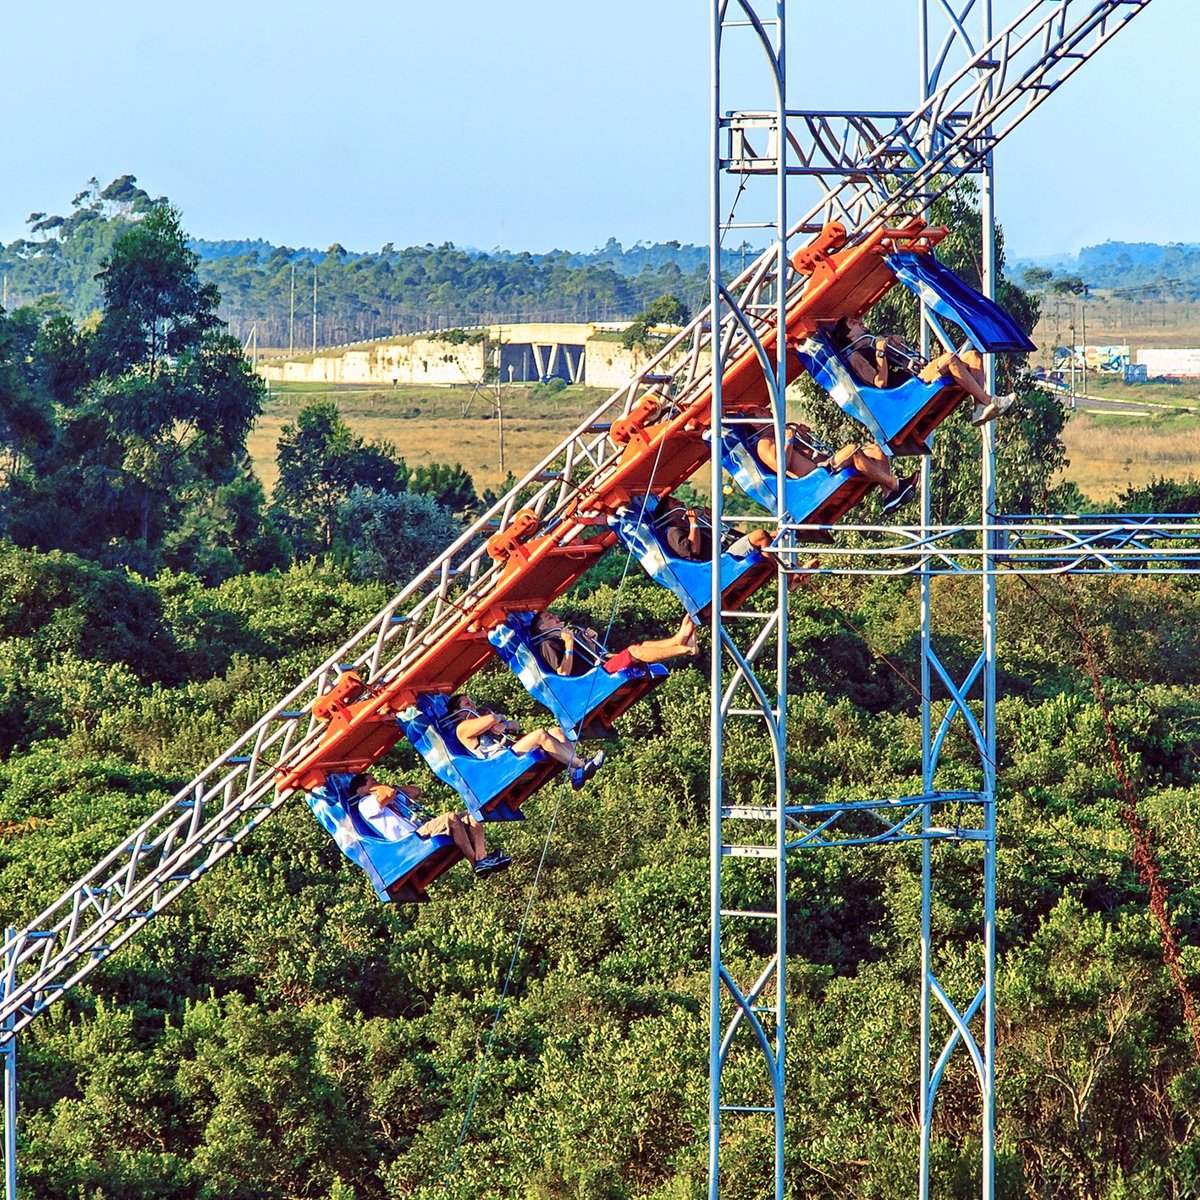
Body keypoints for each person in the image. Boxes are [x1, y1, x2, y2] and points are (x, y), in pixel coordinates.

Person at [831, 314, 1017, 427]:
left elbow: (903, 362)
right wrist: (880, 352)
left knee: (973, 356)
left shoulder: (874, 342)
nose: (860, 322)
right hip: (905, 392)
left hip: (912, 376)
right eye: (853, 323)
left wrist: (898, 347)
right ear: (848, 335)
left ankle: (979, 407)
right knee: (949, 359)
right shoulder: (856, 356)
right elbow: (880, 382)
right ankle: (989, 401)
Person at [745, 405, 919, 516]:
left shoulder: (780, 433)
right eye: (760, 411)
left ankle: (889, 496)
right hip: (814, 478)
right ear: (756, 424)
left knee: (876, 449)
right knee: (852, 450)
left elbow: (809, 454)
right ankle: (896, 485)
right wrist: (789, 440)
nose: (767, 410)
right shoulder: (764, 444)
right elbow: (781, 467)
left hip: (823, 464)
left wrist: (804, 439)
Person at [348, 772, 511, 877]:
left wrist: (393, 787)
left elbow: (415, 792)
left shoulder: (392, 798)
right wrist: (377, 789)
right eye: (372, 782)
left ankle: (482, 856)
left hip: (421, 830)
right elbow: (388, 794)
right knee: (450, 818)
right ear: (361, 789)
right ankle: (476, 863)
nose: (377, 783)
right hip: (410, 840)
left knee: (472, 815)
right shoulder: (365, 803)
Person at [448, 693, 605, 790]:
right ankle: (580, 764)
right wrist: (497, 719)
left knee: (557, 731)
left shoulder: (481, 718)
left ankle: (574, 773)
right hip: (500, 761)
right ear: (458, 712)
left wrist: (505, 724)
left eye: (472, 701)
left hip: (512, 748)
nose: (473, 705)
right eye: (467, 704)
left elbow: (516, 725)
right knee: (540, 735)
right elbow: (492, 718)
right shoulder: (462, 728)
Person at [529, 610, 698, 677]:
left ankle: (677, 639)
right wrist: (569, 646)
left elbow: (590, 657)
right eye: (550, 617)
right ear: (543, 627)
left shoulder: (566, 637)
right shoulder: (548, 643)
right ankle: (684, 649)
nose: (557, 618)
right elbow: (563, 673)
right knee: (634, 652)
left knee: (642, 646)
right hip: (592, 678)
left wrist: (590, 642)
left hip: (597, 666)